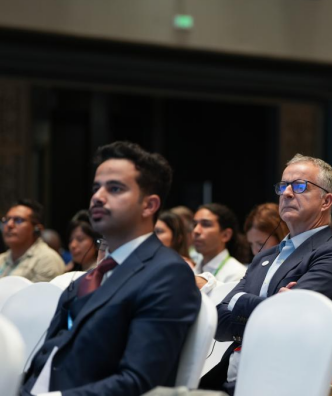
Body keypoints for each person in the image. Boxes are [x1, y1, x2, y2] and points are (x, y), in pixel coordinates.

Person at [21, 141, 201, 395]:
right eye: (96, 187)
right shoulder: (93, 275)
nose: (98, 197)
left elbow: (137, 382)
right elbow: (49, 356)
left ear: (149, 205)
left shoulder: (167, 274)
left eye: (115, 188)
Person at [201, 154, 332, 394]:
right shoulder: (265, 256)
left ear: (326, 201)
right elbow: (220, 322)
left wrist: (241, 302)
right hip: (231, 377)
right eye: (283, 185)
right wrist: (271, 305)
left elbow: (287, 323)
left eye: (299, 186)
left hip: (282, 382)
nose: (286, 193)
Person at [0, 199, 64, 282]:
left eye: (18, 220)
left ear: (37, 229)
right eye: (6, 220)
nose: (9, 225)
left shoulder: (47, 260)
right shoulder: (2, 258)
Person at [192, 203, 249, 293]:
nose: (196, 230)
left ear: (225, 235)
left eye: (206, 224)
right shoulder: (193, 268)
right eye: (194, 224)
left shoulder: (237, 274)